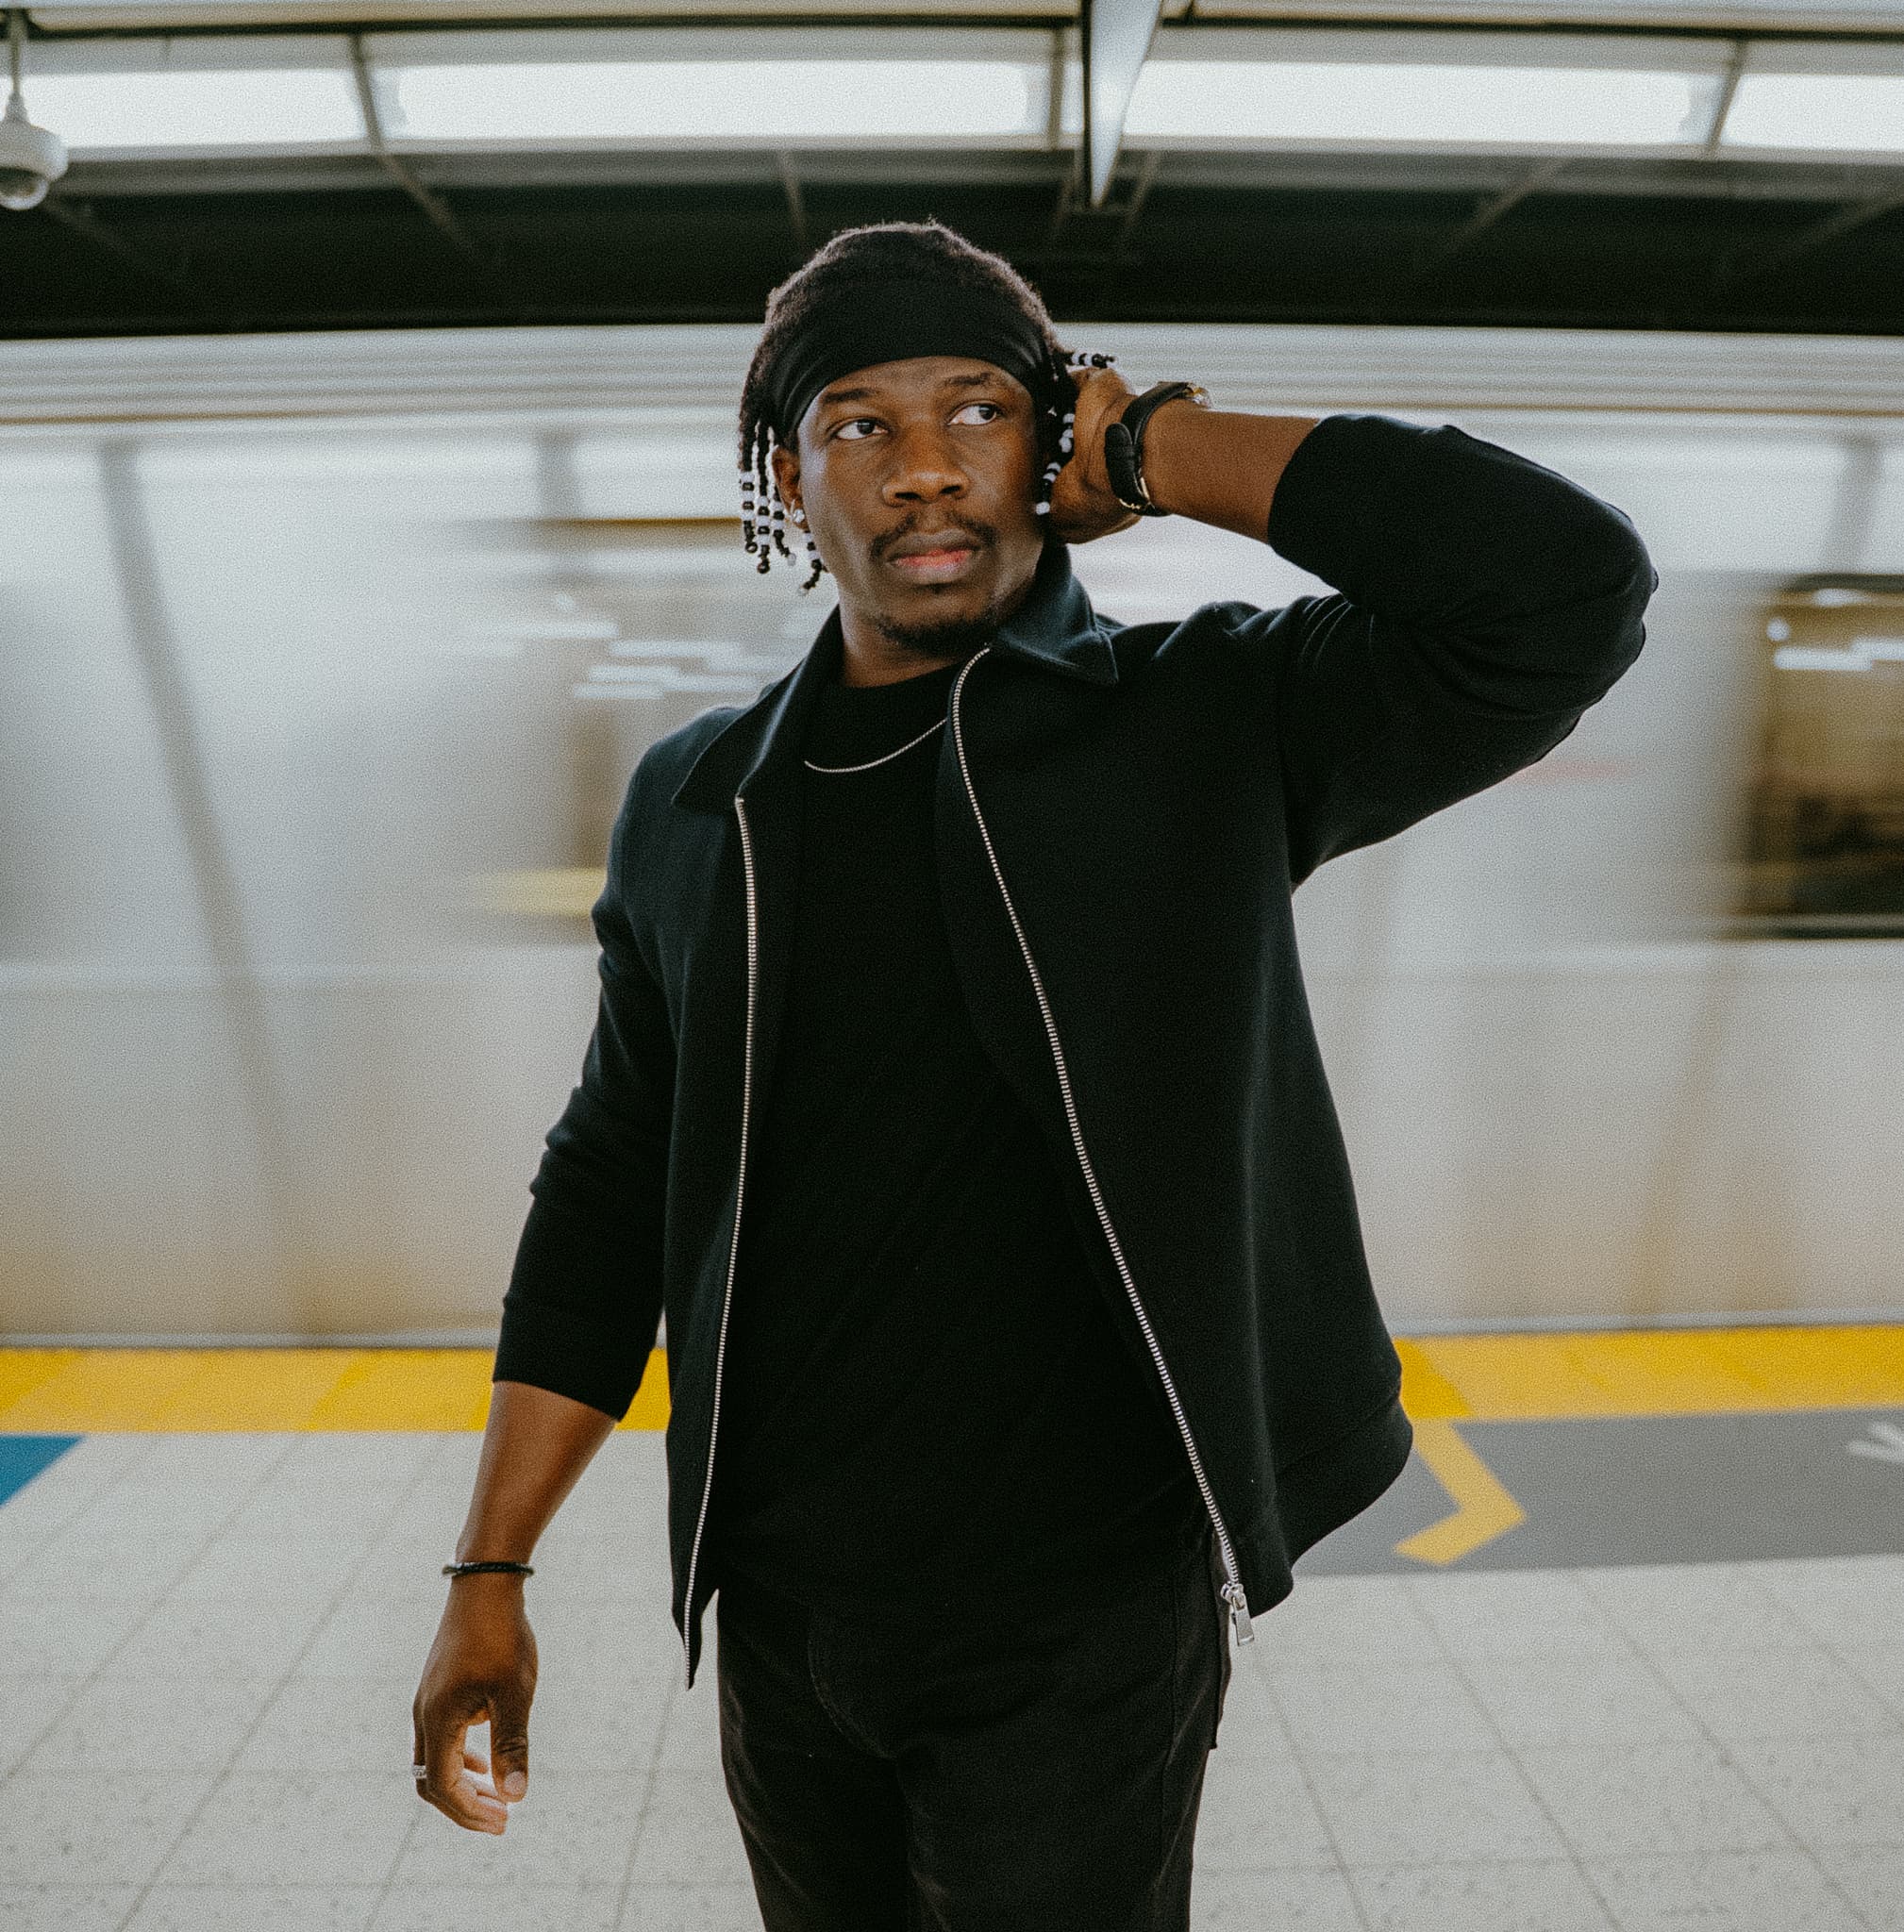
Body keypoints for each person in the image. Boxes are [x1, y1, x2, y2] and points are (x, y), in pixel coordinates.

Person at [410, 219, 1656, 1929]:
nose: (923, 469)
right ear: (790, 478)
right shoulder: (700, 801)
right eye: (857, 423)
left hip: (1081, 1610)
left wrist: (1157, 445)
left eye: (976, 411)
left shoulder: (1200, 718)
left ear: (1049, 440)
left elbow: (1561, 590)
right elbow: (613, 1179)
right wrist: (491, 1569)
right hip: (782, 1610)